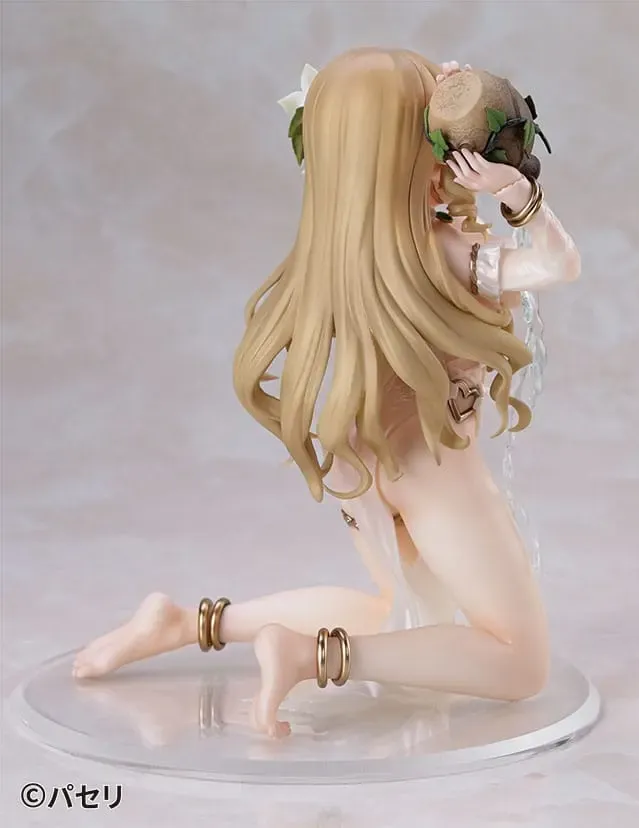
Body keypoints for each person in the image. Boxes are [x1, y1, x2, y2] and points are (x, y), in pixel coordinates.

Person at [74, 48, 580, 739]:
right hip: (433, 464)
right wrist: (517, 190)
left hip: (361, 454)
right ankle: (309, 658)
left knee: (393, 611)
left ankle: (186, 623)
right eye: (436, 129)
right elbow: (559, 264)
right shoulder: (446, 254)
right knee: (520, 662)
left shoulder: (339, 250)